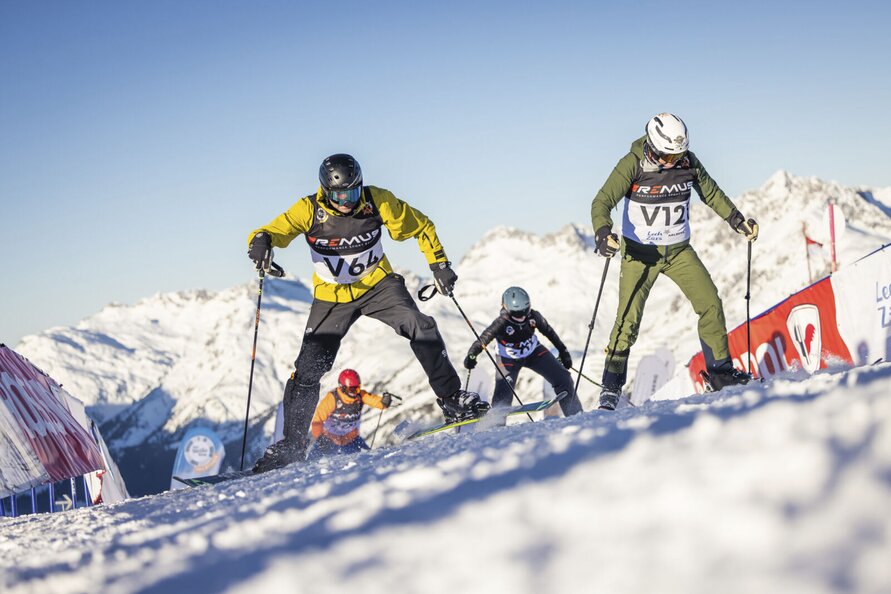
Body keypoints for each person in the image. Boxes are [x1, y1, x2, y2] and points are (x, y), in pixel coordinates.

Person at [248, 154, 489, 472]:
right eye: (339, 195)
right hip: (332, 297)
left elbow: (422, 226)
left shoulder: (377, 201)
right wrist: (261, 242)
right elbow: (269, 232)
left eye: (352, 192)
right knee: (308, 369)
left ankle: (452, 399)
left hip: (378, 286)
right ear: (325, 192)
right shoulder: (309, 210)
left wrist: (439, 264)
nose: (346, 201)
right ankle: (291, 445)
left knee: (421, 326)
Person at [590, 113, 758, 410]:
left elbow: (711, 192)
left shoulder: (688, 162)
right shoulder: (632, 164)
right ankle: (611, 388)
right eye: (667, 155)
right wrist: (603, 234)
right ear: (653, 147)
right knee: (627, 321)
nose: (673, 160)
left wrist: (736, 220)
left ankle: (720, 373)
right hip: (640, 255)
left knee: (710, 303)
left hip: (678, 251)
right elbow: (602, 201)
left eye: (677, 154)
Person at [463, 286, 583, 416]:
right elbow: (484, 339)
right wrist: (472, 354)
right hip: (508, 360)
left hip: (534, 353)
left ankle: (575, 414)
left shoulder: (533, 316)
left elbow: (549, 332)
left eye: (525, 311)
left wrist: (563, 351)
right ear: (506, 308)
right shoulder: (501, 323)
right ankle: (495, 426)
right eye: (517, 313)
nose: (522, 317)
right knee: (502, 396)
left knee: (563, 378)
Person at [307, 369, 393, 460]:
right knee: (312, 462)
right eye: (351, 389)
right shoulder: (332, 398)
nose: (355, 392)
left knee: (369, 460)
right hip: (329, 439)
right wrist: (320, 438)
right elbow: (318, 420)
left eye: (357, 388)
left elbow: (374, 401)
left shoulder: (360, 396)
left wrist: (384, 402)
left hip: (351, 439)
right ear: (342, 387)